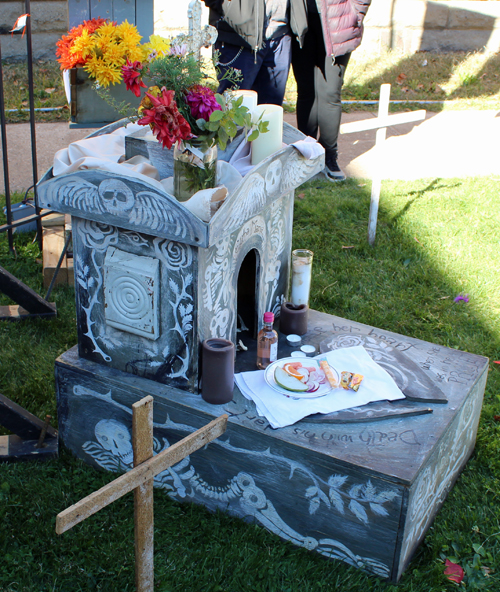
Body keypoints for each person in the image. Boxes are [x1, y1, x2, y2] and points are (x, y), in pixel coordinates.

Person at [291, 0, 371, 181]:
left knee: (330, 92)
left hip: (338, 23)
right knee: (306, 91)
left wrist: (356, 12)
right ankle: (307, 155)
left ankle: (329, 156)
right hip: (301, 19)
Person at [202, 0, 307, 106]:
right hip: (239, 36)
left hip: (280, 33)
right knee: (232, 111)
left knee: (270, 113)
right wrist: (229, 7)